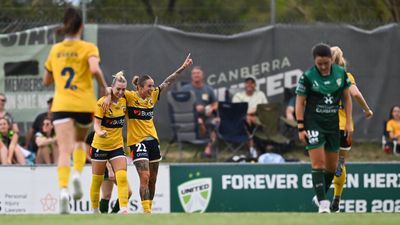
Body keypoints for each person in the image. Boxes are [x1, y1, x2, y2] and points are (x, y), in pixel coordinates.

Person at [103, 54, 193, 213]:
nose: (152, 88)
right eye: (149, 86)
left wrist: (183, 67)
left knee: (153, 179)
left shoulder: (153, 96)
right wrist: (108, 94)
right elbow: (115, 89)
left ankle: (148, 210)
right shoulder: (130, 97)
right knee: (144, 177)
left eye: (153, 86)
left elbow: (169, 80)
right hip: (137, 142)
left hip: (153, 142)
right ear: (139, 87)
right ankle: (147, 213)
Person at [42, 7, 109, 214]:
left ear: (65, 26)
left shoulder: (55, 50)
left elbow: (46, 81)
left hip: (61, 104)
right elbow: (94, 69)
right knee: (80, 142)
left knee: (64, 150)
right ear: (82, 26)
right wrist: (105, 88)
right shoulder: (88, 47)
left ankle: (63, 190)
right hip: (83, 104)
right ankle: (78, 176)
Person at [295, 43, 353, 213]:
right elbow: (299, 102)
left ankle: (319, 196)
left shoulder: (341, 74)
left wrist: (348, 121)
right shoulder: (307, 77)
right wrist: (300, 127)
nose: (323, 66)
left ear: (331, 60)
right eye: (319, 63)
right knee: (318, 164)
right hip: (314, 124)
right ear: (315, 61)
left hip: (333, 125)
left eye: (326, 63)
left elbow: (347, 98)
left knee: (332, 167)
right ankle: (323, 203)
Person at [330, 46, 373, 212]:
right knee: (341, 162)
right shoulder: (347, 76)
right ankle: (337, 197)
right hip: (346, 128)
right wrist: (367, 109)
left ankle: (322, 192)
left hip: (328, 127)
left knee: (325, 163)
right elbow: (355, 94)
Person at [89, 72, 131, 214]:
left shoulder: (125, 100)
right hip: (100, 146)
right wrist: (100, 132)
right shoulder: (102, 103)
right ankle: (95, 211)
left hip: (116, 147)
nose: (120, 92)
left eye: (123, 89)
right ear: (112, 87)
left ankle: (124, 210)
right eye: (117, 89)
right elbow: (96, 124)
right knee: (97, 180)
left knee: (122, 176)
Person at [181, 66, 218, 157]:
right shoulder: (185, 89)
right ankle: (203, 140)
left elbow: (215, 104)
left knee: (216, 123)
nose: (196, 75)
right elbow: (180, 105)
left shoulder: (208, 89)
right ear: (191, 76)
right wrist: (194, 108)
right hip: (191, 117)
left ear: (202, 75)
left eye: (198, 73)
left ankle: (207, 149)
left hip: (206, 116)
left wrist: (210, 109)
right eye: (194, 73)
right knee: (199, 121)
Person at [232, 76, 268, 158]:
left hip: (259, 120)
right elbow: (236, 110)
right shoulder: (238, 96)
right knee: (246, 119)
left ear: (255, 85)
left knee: (249, 118)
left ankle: (252, 149)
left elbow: (265, 108)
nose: (250, 85)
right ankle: (252, 148)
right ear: (244, 85)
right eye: (247, 83)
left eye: (252, 83)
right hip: (241, 121)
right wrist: (251, 112)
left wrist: (252, 112)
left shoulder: (260, 94)